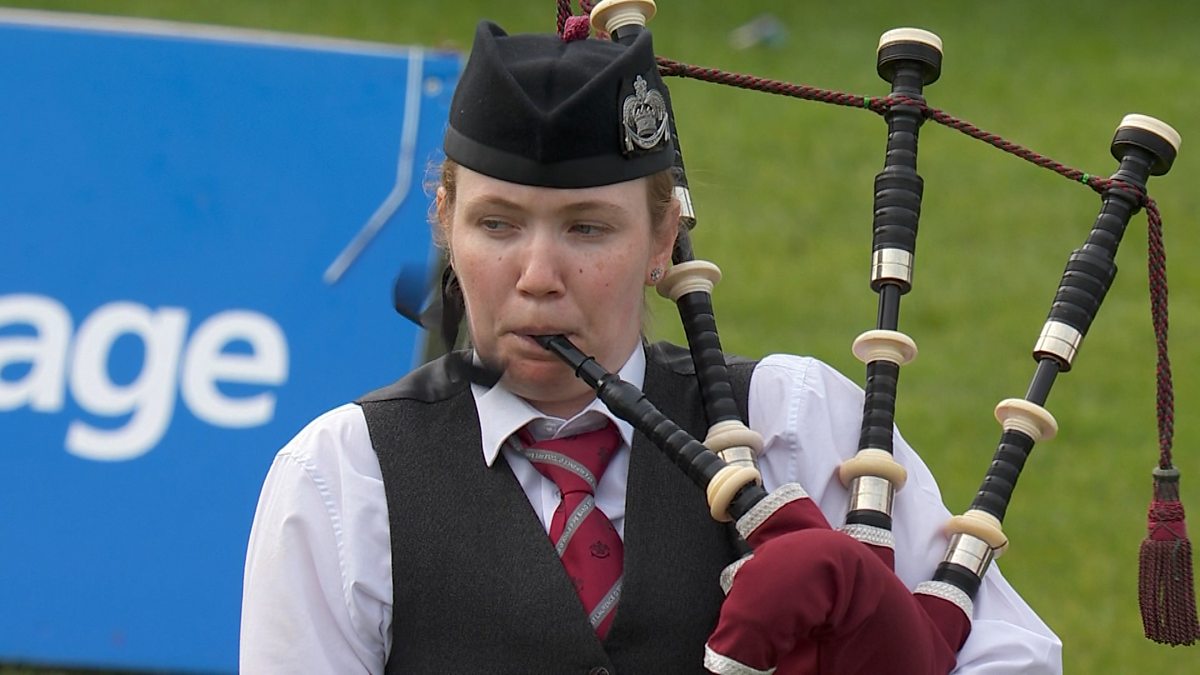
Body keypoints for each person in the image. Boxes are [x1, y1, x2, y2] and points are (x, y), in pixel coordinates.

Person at [240, 18, 1063, 674]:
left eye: (587, 228)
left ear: (662, 239)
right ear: (445, 226)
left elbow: (1010, 654)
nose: (537, 276)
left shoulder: (793, 423)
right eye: (496, 224)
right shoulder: (341, 480)